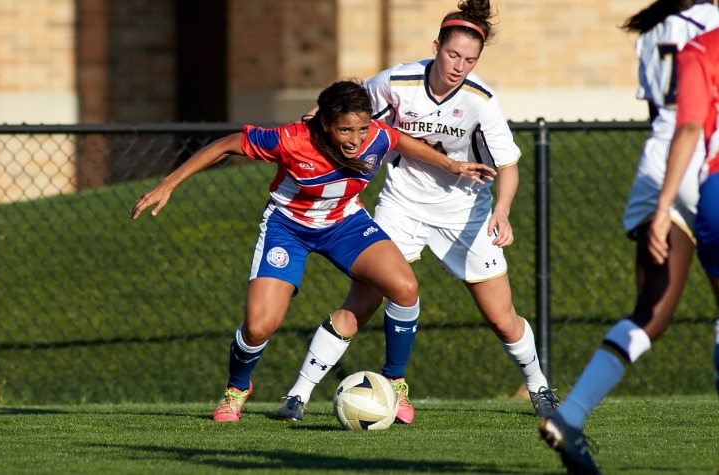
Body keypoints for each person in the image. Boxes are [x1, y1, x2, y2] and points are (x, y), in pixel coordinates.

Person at [130, 79, 495, 423]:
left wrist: (452, 164)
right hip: (288, 229)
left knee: (405, 287)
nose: (355, 140)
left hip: (345, 224)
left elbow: (397, 139)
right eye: (345, 130)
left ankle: (395, 383)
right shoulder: (291, 139)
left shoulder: (375, 136)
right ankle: (237, 388)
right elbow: (226, 144)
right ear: (324, 122)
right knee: (259, 327)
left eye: (362, 129)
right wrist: (169, 184)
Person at [274, 0, 559, 425]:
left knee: (502, 318)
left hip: (465, 213)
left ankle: (539, 387)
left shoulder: (481, 100)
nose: (459, 65)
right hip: (401, 206)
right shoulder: (398, 81)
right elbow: (345, 103)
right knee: (363, 300)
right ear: (435, 47)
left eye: (469, 59)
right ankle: (299, 395)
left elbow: (508, 166)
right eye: (452, 54)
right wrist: (314, 116)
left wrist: (502, 210)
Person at [539, 2, 719, 474]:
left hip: (656, 161)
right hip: (700, 154)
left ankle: (571, 415)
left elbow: (663, 105)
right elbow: (695, 114)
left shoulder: (651, 27)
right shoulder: (711, 28)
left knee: (651, 312)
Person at [648, 27, 719, 395]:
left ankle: (574, 411)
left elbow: (689, 126)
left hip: (712, 188)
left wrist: (664, 207)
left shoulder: (701, 46)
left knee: (651, 315)